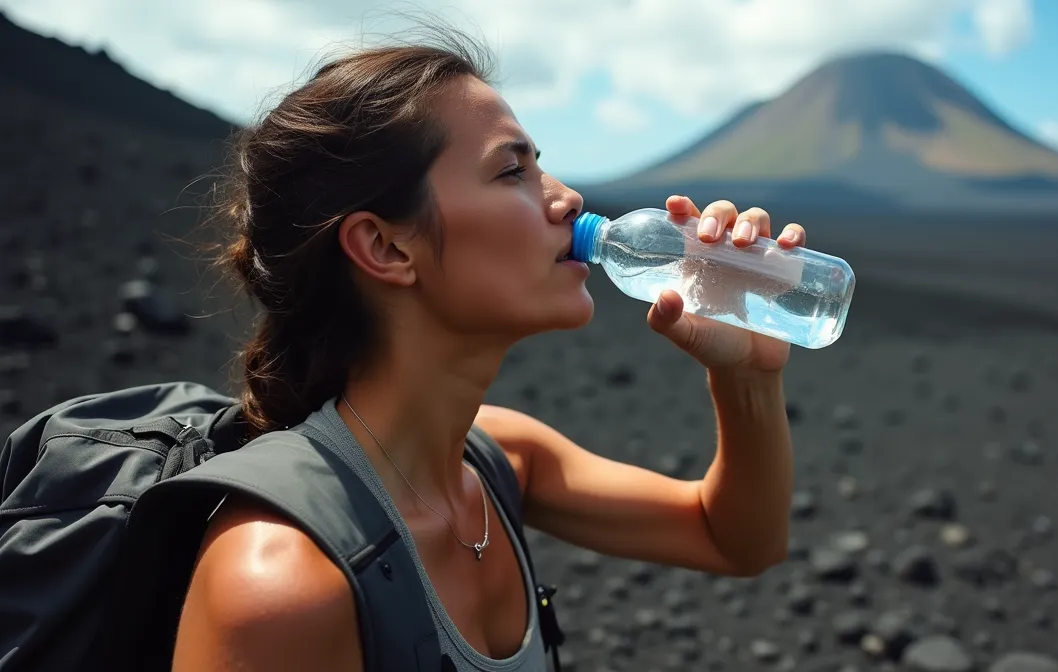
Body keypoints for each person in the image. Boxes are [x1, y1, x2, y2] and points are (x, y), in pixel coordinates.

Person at [172, 23, 805, 672]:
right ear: (387, 248)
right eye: (512, 170)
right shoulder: (281, 581)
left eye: (541, 163)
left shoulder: (500, 460)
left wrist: (749, 377)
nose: (567, 198)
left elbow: (737, 541)